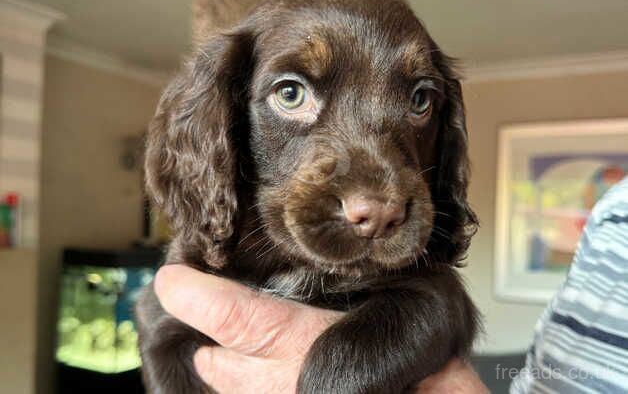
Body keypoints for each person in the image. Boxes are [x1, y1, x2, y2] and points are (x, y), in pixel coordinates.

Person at [153, 176, 628, 393]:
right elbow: (164, 337)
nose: (373, 203)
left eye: (419, 101)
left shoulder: (418, 284)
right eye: (291, 93)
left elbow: (439, 307)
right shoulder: (612, 215)